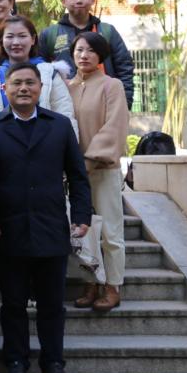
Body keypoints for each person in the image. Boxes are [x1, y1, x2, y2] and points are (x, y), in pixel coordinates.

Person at [0, 62, 92, 373]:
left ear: (40, 88)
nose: (24, 88)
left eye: (30, 83)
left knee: (52, 305)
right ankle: (16, 363)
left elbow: (77, 175)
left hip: (50, 227)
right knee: (13, 304)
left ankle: (53, 363)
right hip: (8, 229)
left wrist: (82, 216)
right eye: (17, 83)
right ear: (5, 89)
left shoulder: (59, 126)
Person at [68, 32, 130, 312]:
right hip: (73, 174)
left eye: (91, 51)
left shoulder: (111, 85)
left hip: (102, 170)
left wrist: (88, 161)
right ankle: (91, 282)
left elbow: (114, 126)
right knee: (83, 232)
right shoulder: (66, 87)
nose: (84, 55)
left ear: (101, 55)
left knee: (111, 232)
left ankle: (113, 286)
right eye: (79, 50)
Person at [38, 0, 135, 109]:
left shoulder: (107, 31)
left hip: (103, 105)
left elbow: (125, 68)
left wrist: (125, 103)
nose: (79, 0)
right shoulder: (49, 34)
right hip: (63, 107)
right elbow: (40, 72)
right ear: (63, 1)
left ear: (93, 0)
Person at [0, 15, 77, 136]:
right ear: (1, 41)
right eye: (10, 36)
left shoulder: (48, 73)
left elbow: (65, 113)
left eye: (22, 36)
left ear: (33, 39)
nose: (16, 42)